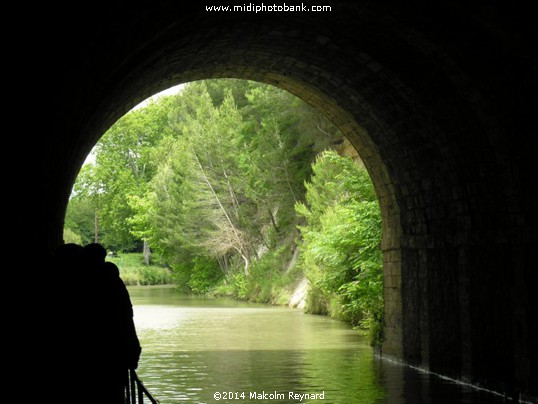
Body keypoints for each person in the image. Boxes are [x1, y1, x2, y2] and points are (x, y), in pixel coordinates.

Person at [83, 243, 142, 403]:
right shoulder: (114, 283)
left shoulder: (78, 284)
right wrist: (133, 349)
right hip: (115, 353)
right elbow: (126, 318)